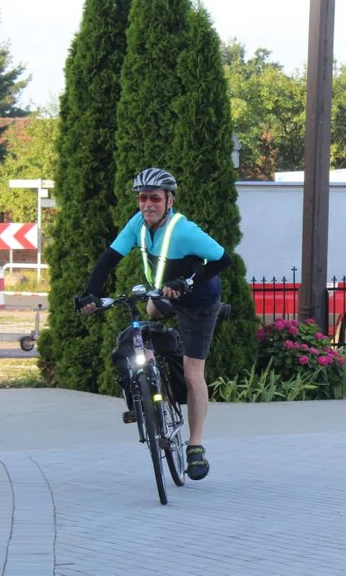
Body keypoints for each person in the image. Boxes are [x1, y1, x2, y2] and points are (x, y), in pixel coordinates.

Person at [76, 167, 232, 481]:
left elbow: (222, 260)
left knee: (192, 373)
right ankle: (148, 385)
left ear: (169, 201)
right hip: (163, 293)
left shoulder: (184, 230)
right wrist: (91, 293)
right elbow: (108, 259)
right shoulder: (138, 225)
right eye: (143, 198)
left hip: (199, 301)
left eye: (155, 198)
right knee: (144, 320)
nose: (148, 204)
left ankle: (196, 446)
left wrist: (187, 282)